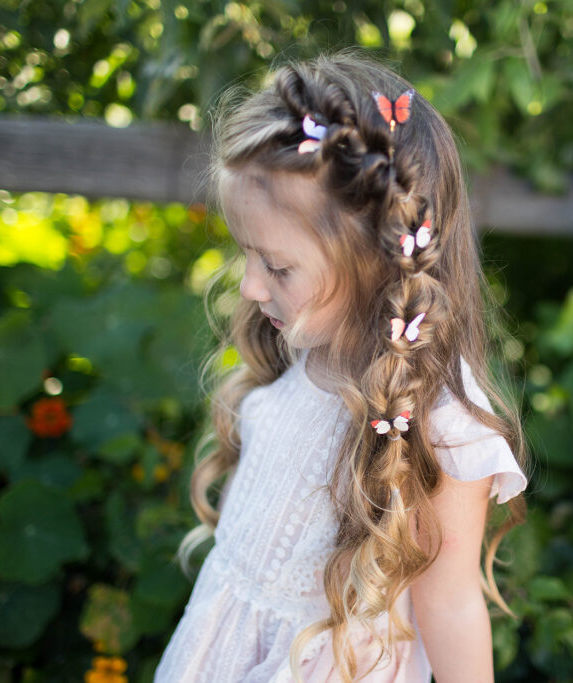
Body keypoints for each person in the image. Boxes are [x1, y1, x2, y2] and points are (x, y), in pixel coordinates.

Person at [155, 52, 529, 683]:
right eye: (246, 253)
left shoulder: (436, 417)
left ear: (376, 262)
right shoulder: (299, 348)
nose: (248, 286)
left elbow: (453, 602)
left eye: (276, 267)